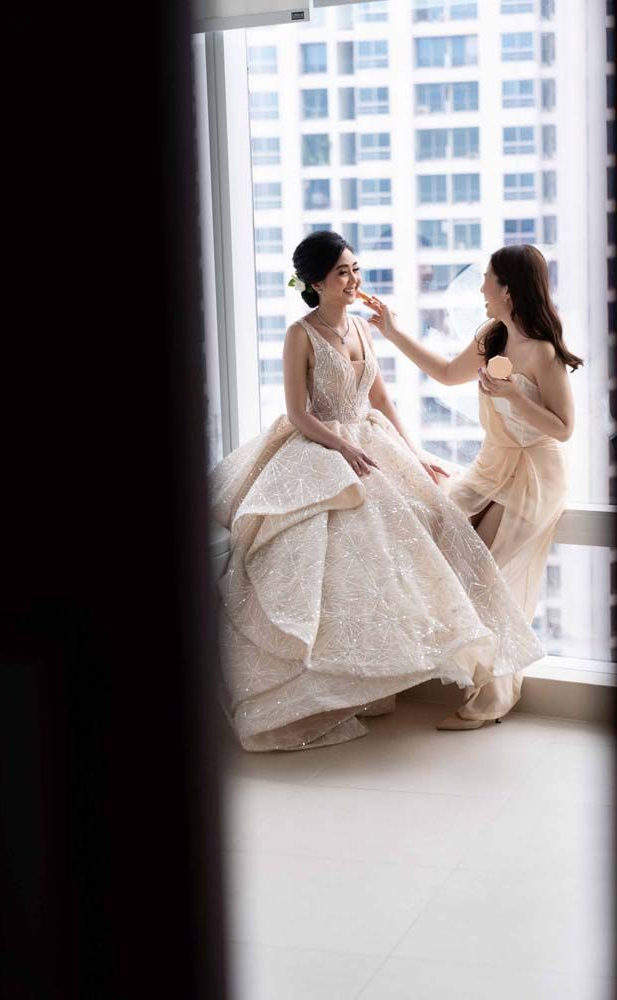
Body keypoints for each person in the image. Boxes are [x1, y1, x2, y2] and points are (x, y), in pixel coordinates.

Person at [210, 231, 544, 751]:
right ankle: (324, 689)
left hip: (371, 439)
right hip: (320, 444)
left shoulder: (363, 328)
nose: (353, 280)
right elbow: (297, 412)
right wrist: (341, 446)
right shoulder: (300, 334)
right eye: (341, 272)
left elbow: (383, 401)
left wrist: (414, 452)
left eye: (355, 269)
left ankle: (449, 667)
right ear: (315, 282)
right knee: (331, 553)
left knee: (424, 524)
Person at [366, 243, 582, 730]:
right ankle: (462, 668)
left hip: (534, 472)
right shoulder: (491, 336)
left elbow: (564, 429)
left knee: (487, 573)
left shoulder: (543, 352)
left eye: (487, 278)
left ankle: (493, 695)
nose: (481, 286)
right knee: (441, 544)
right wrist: (393, 332)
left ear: (507, 289)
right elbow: (446, 374)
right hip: (490, 465)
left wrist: (514, 397)